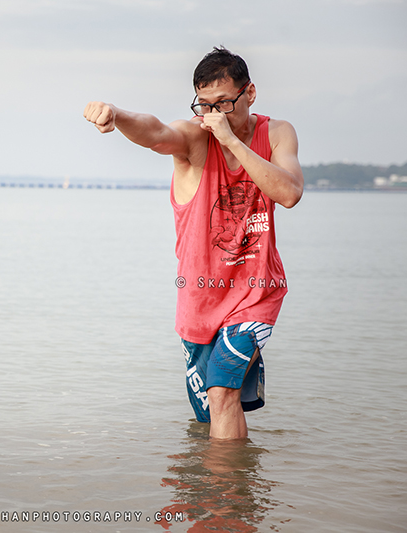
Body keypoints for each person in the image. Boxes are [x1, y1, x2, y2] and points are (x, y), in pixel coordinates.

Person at [83, 47, 303, 440]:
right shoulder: (194, 138)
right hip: (198, 299)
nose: (212, 117)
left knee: (221, 392)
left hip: (255, 295)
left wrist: (232, 141)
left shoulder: (277, 132)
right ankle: (227, 486)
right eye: (204, 106)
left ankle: (227, 500)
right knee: (209, 415)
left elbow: (288, 193)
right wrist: (117, 115)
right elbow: (156, 132)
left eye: (223, 104)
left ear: (250, 93)